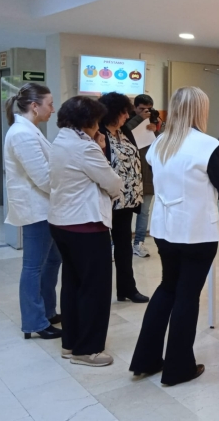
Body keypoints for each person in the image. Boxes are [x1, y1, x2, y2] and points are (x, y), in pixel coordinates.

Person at [130, 86, 219, 386]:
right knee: (188, 295)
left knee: (168, 288)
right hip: (197, 231)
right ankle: (179, 367)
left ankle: (146, 360)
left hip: (165, 229)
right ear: (201, 110)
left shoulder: (161, 142)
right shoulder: (208, 144)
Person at [48, 96, 123, 367]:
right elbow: (113, 183)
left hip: (61, 222)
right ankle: (88, 349)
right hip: (87, 226)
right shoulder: (85, 148)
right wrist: (99, 150)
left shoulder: (60, 140)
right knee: (95, 289)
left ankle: (71, 343)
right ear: (90, 122)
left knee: (72, 284)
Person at [3, 83, 62, 340]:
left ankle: (47, 311)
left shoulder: (30, 131)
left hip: (46, 208)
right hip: (36, 209)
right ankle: (34, 322)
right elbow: (43, 178)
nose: (53, 109)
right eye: (49, 104)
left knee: (53, 260)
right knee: (33, 267)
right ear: (35, 106)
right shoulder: (22, 134)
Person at [98, 92, 149, 304]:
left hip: (127, 199)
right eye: (123, 113)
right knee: (102, 249)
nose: (126, 117)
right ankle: (100, 291)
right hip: (106, 199)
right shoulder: (98, 134)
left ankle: (127, 288)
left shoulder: (124, 132)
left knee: (124, 246)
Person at [123, 94, 160, 258]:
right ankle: (119, 244)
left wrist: (156, 127)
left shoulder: (156, 120)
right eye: (141, 109)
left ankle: (138, 243)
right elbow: (125, 133)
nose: (146, 112)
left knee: (144, 212)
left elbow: (162, 142)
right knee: (125, 212)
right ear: (134, 108)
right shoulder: (126, 120)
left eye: (148, 109)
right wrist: (139, 119)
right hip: (130, 174)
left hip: (148, 173)